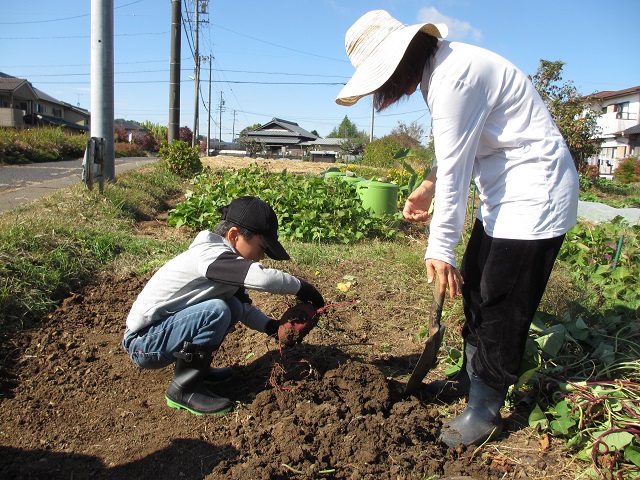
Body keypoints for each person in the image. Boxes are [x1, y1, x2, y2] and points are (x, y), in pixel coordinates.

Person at [336, 10, 578, 447]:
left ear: (403, 56)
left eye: (384, 77)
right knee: (475, 288)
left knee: (502, 300)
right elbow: (454, 154)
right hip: (503, 194)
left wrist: (440, 246)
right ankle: (470, 378)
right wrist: (426, 187)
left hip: (535, 195)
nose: (387, 91)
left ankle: (485, 406)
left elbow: (456, 171)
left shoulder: (453, 78)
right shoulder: (442, 71)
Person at [122, 196, 325, 415]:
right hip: (144, 342)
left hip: (160, 334)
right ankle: (183, 389)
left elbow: (244, 309)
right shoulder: (210, 256)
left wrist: (272, 327)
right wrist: (305, 289)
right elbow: (263, 279)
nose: (260, 258)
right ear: (233, 235)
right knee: (217, 311)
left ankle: (197, 371)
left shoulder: (225, 265)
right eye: (260, 248)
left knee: (233, 306)